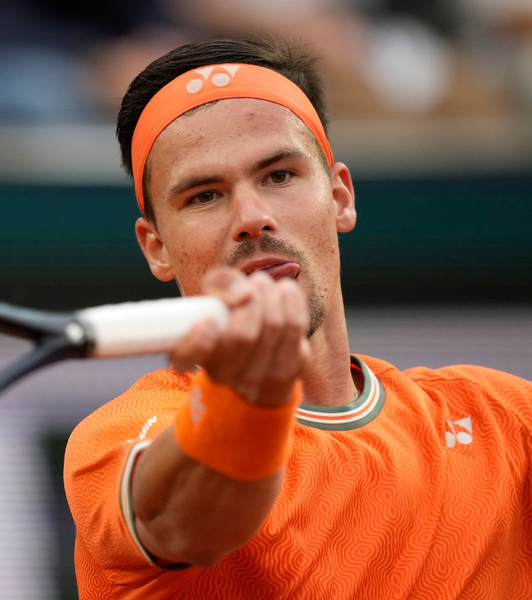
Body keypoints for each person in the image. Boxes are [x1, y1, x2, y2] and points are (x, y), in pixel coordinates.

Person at [62, 37, 532, 598]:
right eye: (205, 196)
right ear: (156, 247)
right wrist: (246, 397)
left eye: (279, 176)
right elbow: (183, 523)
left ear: (339, 197)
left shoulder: (506, 423)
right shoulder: (117, 437)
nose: (252, 218)